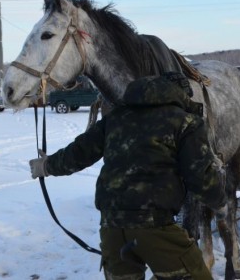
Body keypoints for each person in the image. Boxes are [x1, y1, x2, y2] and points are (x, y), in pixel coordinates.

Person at [29, 72, 226, 280]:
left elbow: (78, 154)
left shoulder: (115, 118)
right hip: (154, 227)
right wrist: (220, 203)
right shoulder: (186, 122)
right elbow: (200, 177)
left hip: (111, 227)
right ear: (181, 94)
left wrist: (46, 165)